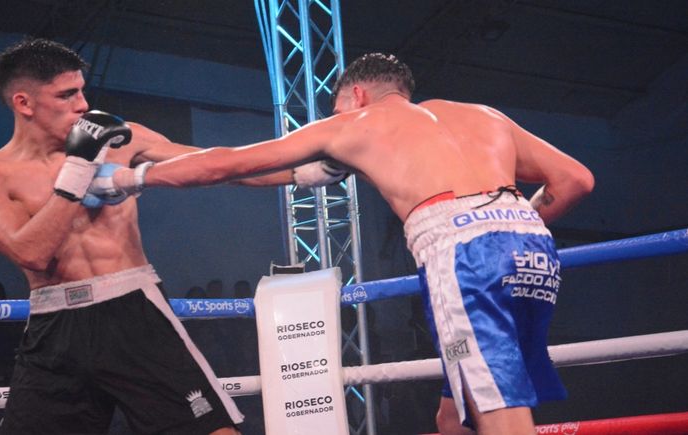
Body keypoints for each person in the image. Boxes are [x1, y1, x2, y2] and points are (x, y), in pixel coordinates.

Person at [92, 53, 595, 434]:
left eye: (334, 107)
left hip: (464, 252)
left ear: (355, 96)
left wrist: (127, 179)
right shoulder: (482, 115)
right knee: (453, 416)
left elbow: (230, 163)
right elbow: (575, 179)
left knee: (501, 411)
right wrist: (506, 226)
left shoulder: (355, 124)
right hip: (530, 248)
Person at [0, 38, 294, 434]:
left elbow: (213, 165)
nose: (82, 105)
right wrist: (78, 171)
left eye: (81, 90)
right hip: (54, 326)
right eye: (66, 95)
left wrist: (302, 171)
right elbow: (32, 253)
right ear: (24, 103)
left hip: (130, 310)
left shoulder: (121, 139)